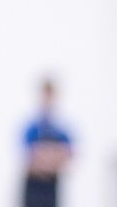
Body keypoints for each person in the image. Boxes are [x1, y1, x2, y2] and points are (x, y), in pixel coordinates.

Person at [22, 78, 73, 207]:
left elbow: (68, 155)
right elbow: (29, 156)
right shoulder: (31, 126)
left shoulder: (60, 127)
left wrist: (45, 156)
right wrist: (50, 157)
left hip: (51, 185)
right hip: (34, 184)